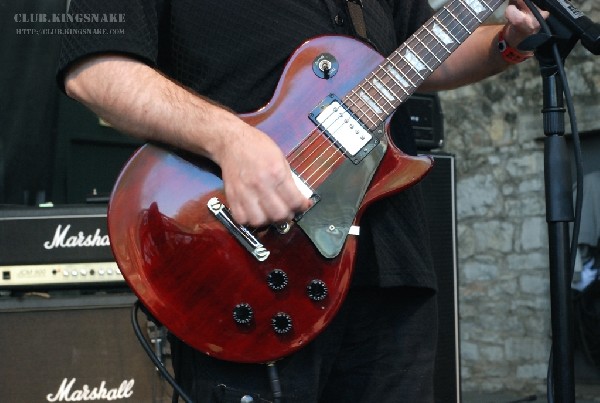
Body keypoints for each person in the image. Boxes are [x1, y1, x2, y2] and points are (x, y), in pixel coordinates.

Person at [57, 1, 545, 402]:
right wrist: (230, 140)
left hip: (388, 269)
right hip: (246, 269)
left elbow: (421, 54)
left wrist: (507, 42)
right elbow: (95, 69)